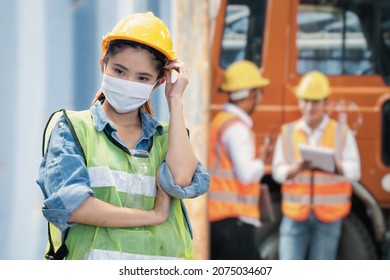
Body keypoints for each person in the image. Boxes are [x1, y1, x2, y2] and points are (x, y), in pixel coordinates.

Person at [36, 11, 209, 260]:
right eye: (119, 71)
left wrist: (176, 102)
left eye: (142, 78)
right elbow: (73, 206)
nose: (129, 82)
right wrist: (154, 216)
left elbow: (182, 183)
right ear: (103, 65)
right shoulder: (72, 128)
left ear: (158, 82)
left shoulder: (167, 137)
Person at [271, 70, 361, 260]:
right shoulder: (287, 132)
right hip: (295, 215)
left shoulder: (341, 133)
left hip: (328, 217)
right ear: (299, 102)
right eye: (305, 101)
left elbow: (355, 172)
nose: (310, 107)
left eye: (315, 102)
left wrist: (336, 166)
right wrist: (296, 168)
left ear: (325, 103)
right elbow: (277, 172)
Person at [208, 60, 271, 260]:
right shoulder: (237, 129)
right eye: (259, 92)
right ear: (251, 95)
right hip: (235, 220)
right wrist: (261, 159)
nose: (260, 98)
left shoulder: (220, 122)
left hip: (219, 217)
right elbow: (246, 175)